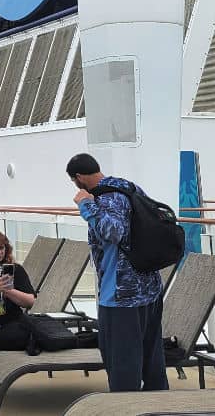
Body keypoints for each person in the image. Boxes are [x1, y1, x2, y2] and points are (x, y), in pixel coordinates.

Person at [67, 152, 167, 392]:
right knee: (152, 361)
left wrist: (85, 204)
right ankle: (159, 406)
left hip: (121, 294)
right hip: (149, 288)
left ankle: (124, 407)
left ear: (79, 177)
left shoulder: (106, 197)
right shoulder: (130, 189)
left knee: (121, 361)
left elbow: (114, 232)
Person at [0, 229, 37, 351]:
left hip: (10, 322)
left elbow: (30, 301)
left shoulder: (15, 270)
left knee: (16, 335)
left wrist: (7, 291)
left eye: (2, 248)